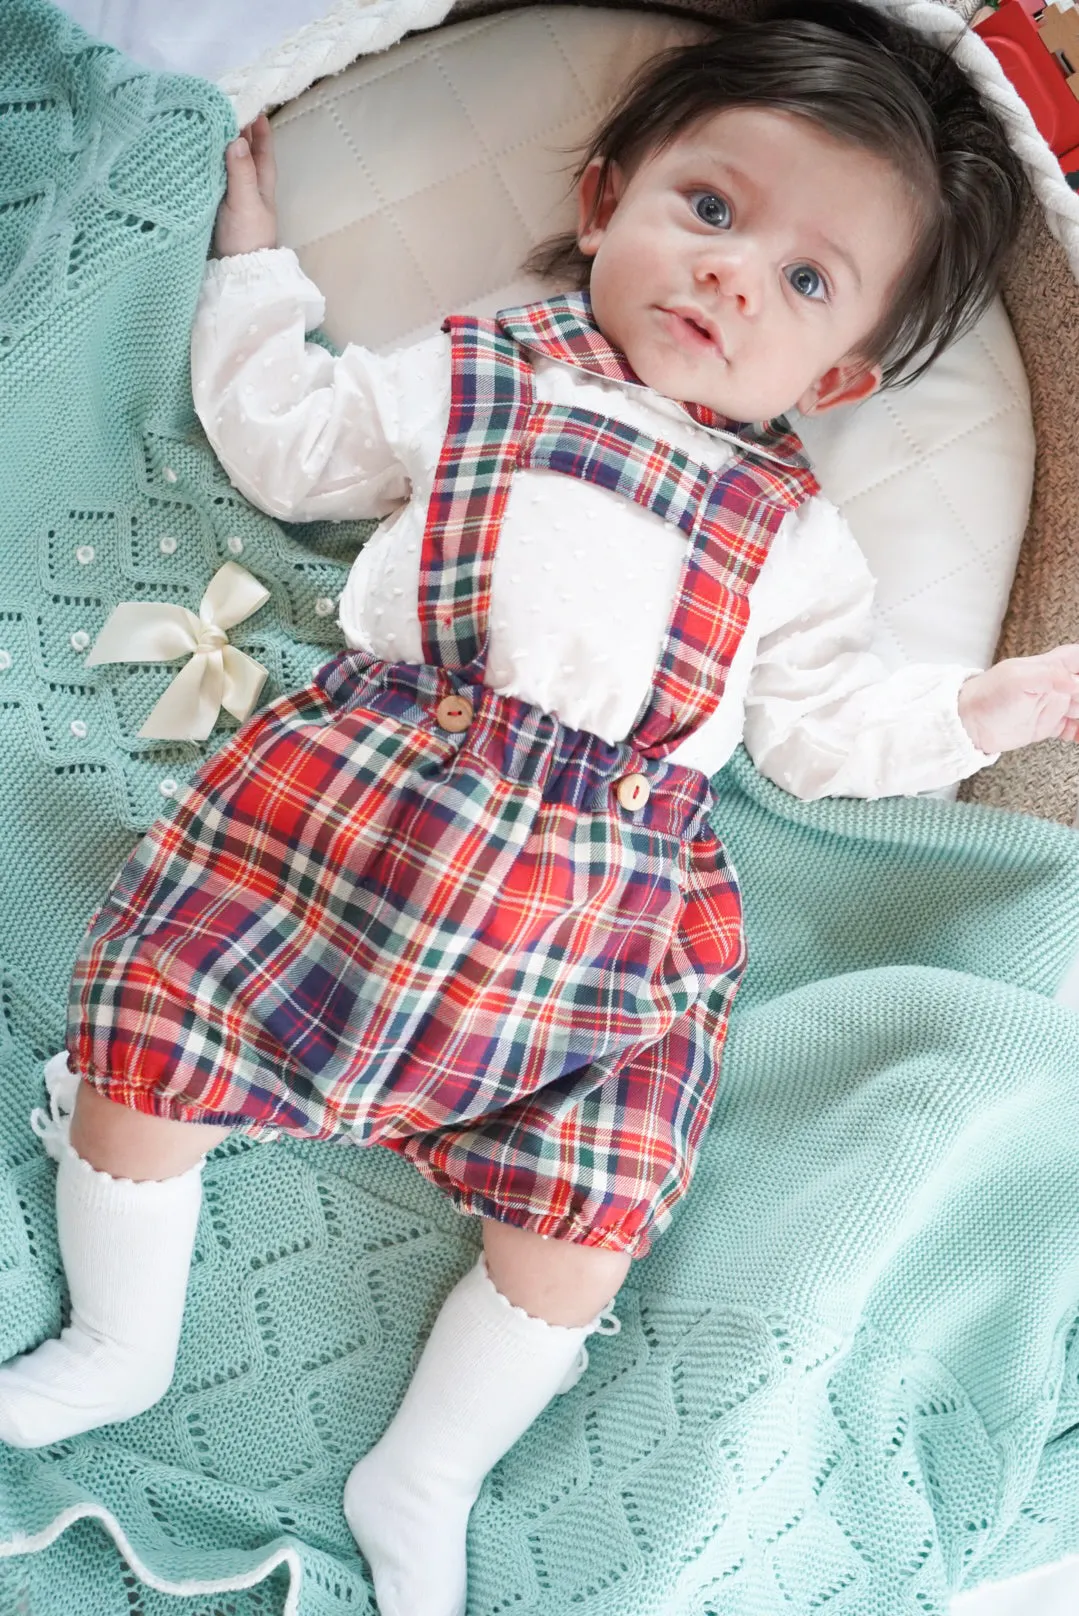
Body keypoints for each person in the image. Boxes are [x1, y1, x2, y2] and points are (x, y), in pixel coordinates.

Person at [0, 2, 1075, 1613]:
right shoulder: (481, 371)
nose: (727, 273)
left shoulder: (792, 534)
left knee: (592, 1200)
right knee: (161, 1026)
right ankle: (118, 1338)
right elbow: (285, 442)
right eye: (708, 209)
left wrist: (993, 706)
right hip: (364, 798)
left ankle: (424, 1465)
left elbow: (823, 733)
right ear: (601, 203)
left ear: (838, 373)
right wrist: (252, 264)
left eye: (800, 278)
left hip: (602, 905)